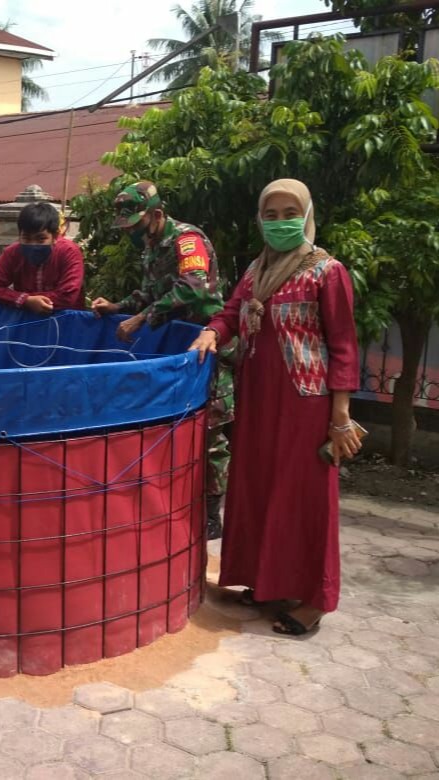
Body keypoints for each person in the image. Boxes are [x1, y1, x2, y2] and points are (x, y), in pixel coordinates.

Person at [189, 178, 361, 636]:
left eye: (290, 214)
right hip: (259, 396)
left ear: (305, 216)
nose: (280, 222)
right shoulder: (256, 269)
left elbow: (343, 345)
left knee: (303, 498)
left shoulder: (327, 271)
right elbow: (231, 312)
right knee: (260, 489)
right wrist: (212, 332)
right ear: (260, 219)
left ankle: (313, 600)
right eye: (272, 214)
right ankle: (266, 582)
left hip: (306, 404)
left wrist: (339, 416)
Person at [92, 181, 234, 540]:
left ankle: (212, 510)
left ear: (156, 215)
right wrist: (120, 307)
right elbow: (152, 292)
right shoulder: (153, 247)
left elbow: (193, 286)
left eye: (136, 227)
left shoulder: (188, 241)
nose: (133, 235)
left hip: (206, 343)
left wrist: (141, 319)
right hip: (177, 343)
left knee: (211, 429)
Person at [0, 202, 85, 312]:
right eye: (26, 238)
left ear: (55, 236)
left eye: (41, 239)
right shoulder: (13, 253)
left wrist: (24, 300)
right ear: (19, 235)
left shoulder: (69, 252)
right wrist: (26, 300)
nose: (33, 244)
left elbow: (68, 296)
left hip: (66, 322)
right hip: (26, 323)